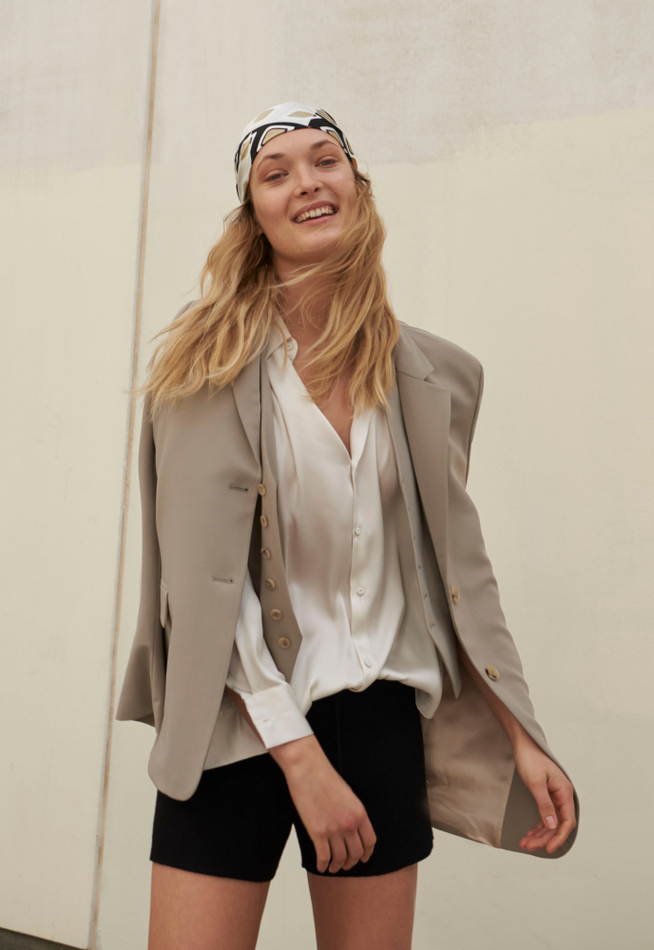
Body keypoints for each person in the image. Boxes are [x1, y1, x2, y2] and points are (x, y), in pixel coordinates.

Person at [116, 103, 578, 950]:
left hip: (378, 721)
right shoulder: (201, 368)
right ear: (253, 216)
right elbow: (201, 588)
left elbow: (460, 574)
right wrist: (299, 757)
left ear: (357, 186)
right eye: (276, 173)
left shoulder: (438, 375)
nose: (306, 183)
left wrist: (524, 734)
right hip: (234, 718)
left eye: (325, 160)